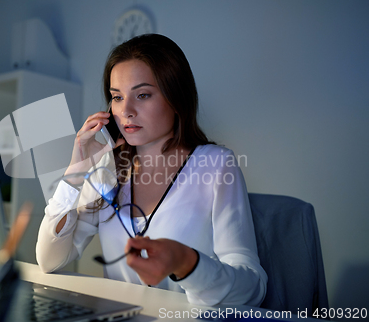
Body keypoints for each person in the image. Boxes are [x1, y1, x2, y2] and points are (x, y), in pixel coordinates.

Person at [36, 34, 267, 306]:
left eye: (143, 95)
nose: (126, 111)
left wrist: (186, 264)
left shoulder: (216, 164)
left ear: (176, 97)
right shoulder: (107, 169)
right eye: (117, 98)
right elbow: (49, 261)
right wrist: (75, 172)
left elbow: (252, 287)